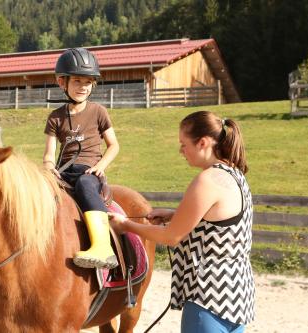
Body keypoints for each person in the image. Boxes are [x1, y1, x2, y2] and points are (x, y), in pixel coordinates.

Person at [109, 111, 255, 332]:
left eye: (183, 144)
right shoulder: (233, 174)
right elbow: (217, 220)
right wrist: (173, 214)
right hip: (236, 296)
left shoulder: (207, 180)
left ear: (203, 143)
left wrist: (125, 225)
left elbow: (171, 237)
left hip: (207, 298)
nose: (181, 151)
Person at [43, 48, 120, 269]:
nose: (83, 86)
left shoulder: (98, 112)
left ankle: (103, 247)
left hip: (89, 172)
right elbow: (49, 154)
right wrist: (49, 168)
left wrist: (100, 166)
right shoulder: (55, 117)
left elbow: (114, 145)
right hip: (63, 171)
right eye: (77, 81)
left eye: (88, 81)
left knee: (86, 184)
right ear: (62, 82)